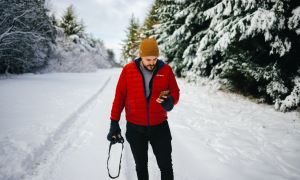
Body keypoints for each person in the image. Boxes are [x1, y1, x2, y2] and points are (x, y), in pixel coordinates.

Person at [107, 38, 180, 180]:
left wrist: (169, 101)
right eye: (148, 59)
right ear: (141, 56)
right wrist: (114, 122)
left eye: (154, 59)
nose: (152, 62)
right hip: (135, 129)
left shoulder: (165, 69)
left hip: (160, 127)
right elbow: (119, 97)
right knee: (141, 166)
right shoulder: (128, 70)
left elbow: (175, 92)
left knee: (166, 166)